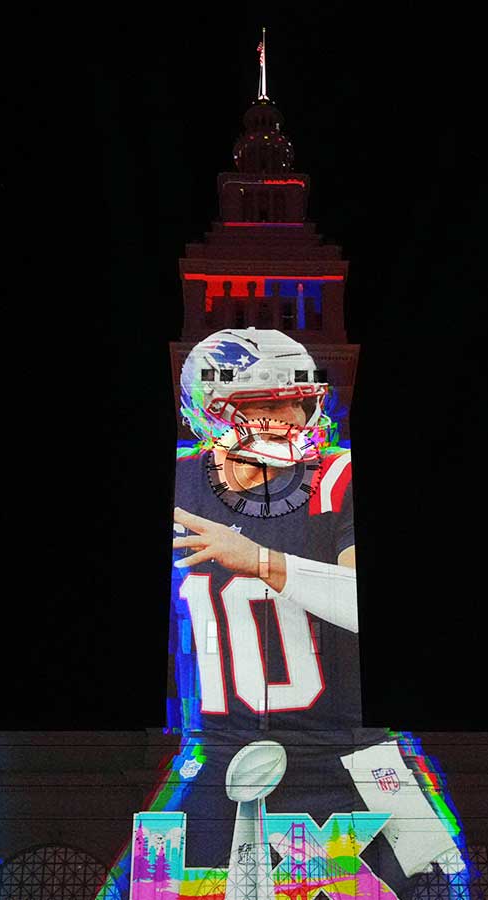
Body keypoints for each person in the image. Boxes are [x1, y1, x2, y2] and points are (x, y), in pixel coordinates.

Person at [104, 329, 465, 900]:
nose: (292, 414)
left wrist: (264, 562)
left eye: (298, 399)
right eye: (269, 403)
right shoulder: (180, 483)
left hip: (353, 762)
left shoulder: (337, 477)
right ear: (213, 411)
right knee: (132, 890)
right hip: (221, 759)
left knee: (436, 887)